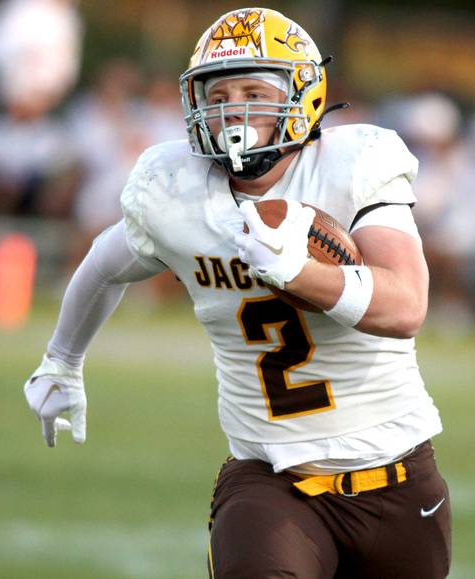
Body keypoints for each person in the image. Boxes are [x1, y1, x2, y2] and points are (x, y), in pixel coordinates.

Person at [23, 8, 451, 578]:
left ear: (303, 94)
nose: (235, 109)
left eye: (255, 90)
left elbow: (405, 307)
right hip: (268, 480)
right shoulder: (175, 190)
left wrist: (299, 273)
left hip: (397, 476)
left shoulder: (354, 165)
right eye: (219, 94)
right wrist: (62, 359)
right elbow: (103, 264)